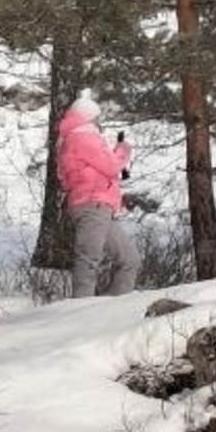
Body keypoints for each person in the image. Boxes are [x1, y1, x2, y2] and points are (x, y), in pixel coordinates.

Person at [55, 92, 140, 298]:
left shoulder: (71, 138)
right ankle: (80, 313)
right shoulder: (83, 136)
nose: (99, 121)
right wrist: (123, 150)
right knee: (89, 259)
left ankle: (109, 310)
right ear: (89, 117)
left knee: (129, 260)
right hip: (92, 204)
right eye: (97, 117)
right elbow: (111, 167)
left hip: (97, 206)